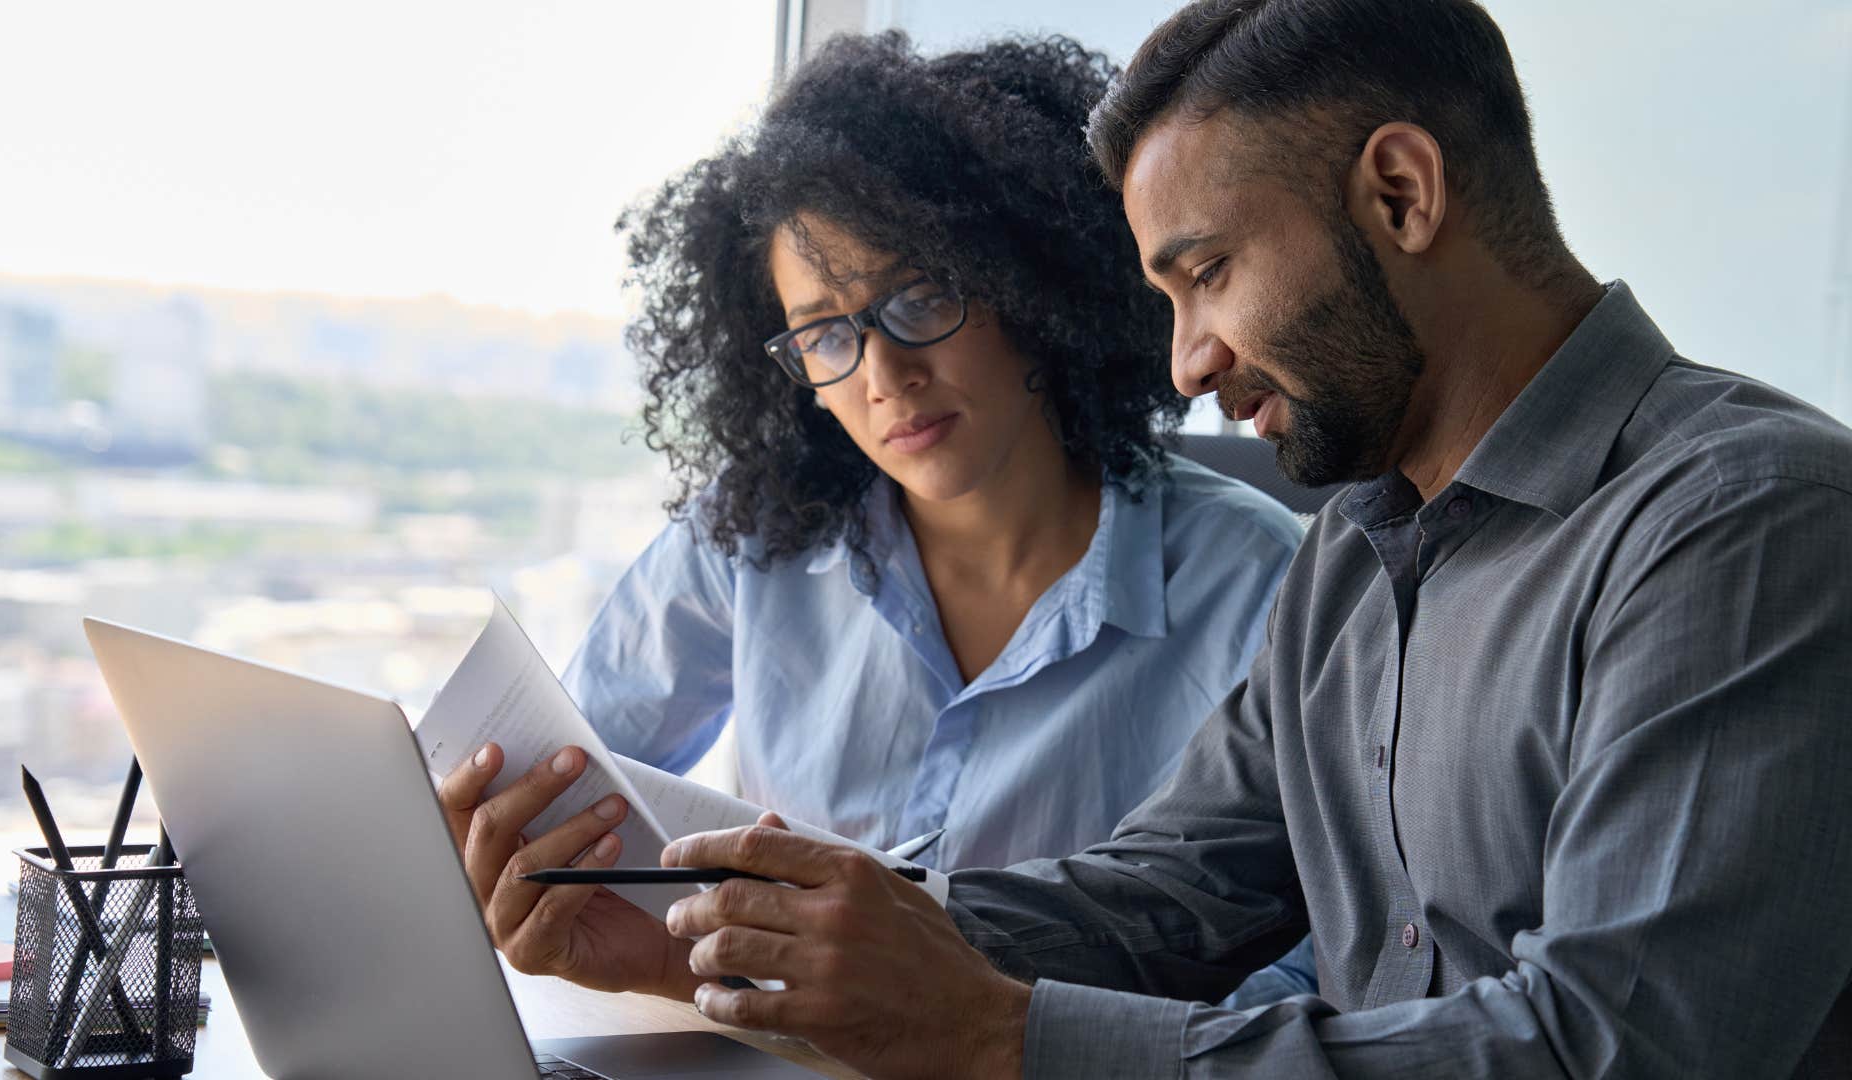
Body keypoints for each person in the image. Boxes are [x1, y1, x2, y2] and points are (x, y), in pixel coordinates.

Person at [445, 0, 1852, 1075]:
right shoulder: (1361, 553)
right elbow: (1167, 892)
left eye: (1207, 274)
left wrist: (1007, 1039)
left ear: (1403, 194)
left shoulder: (1747, 523)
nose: (1184, 363)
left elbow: (1613, 1050)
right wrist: (729, 954)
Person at [442, 33, 1317, 1003]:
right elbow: (576, 773)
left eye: (921, 297)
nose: (884, 373)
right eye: (824, 333)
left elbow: (1317, 969)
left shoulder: (1262, 586)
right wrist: (507, 856)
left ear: (1031, 288)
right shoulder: (751, 541)